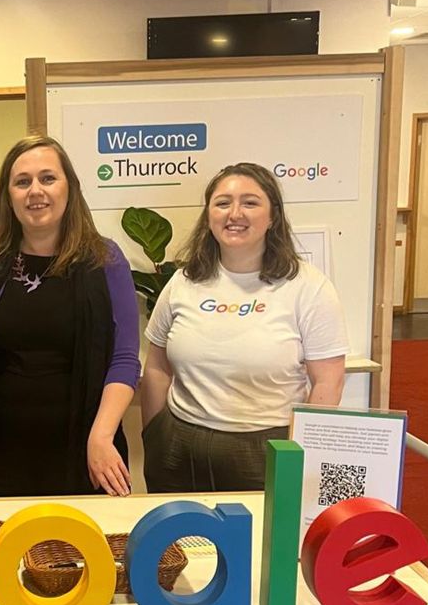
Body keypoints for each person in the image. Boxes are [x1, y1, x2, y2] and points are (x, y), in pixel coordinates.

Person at [140, 161, 348, 493]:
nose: (234, 213)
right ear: (209, 216)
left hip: (265, 449)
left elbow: (329, 380)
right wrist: (154, 433)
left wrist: (296, 455)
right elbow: (156, 365)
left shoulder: (309, 287)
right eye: (223, 203)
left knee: (257, 545)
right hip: (178, 447)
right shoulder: (184, 280)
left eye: (250, 203)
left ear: (273, 217)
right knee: (176, 545)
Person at [0, 135, 140, 498]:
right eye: (22, 182)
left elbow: (124, 358)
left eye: (47, 178)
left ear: (69, 187)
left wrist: (101, 437)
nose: (35, 190)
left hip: (86, 448)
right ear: (8, 196)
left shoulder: (105, 260)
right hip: (1, 451)